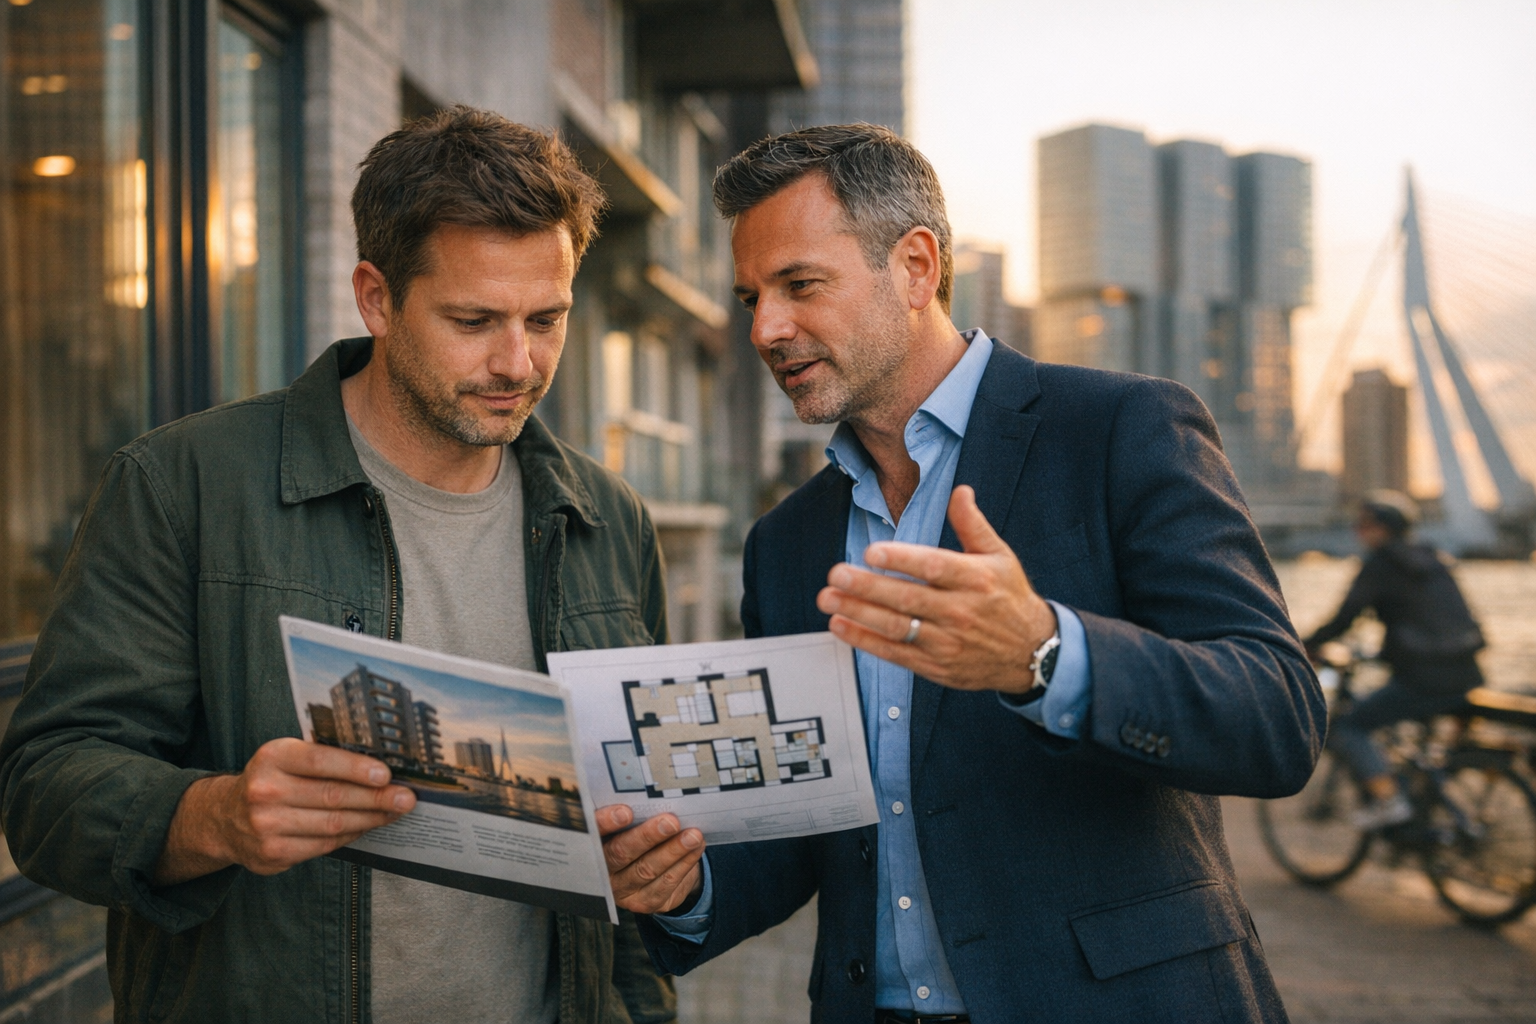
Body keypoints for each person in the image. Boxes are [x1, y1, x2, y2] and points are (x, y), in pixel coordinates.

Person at [595, 124, 1325, 1023]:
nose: (765, 329)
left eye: (799, 285)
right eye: (750, 297)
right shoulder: (785, 543)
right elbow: (801, 832)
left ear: (914, 266)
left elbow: (1278, 716)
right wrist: (684, 885)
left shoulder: (1120, 429)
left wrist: (1050, 656)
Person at [1, 107, 674, 1024]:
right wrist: (217, 815)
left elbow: (635, 829)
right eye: (473, 320)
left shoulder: (607, 518)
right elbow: (46, 789)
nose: (518, 362)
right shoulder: (181, 486)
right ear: (377, 298)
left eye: (546, 319)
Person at [1304, 491, 1486, 830]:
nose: (1358, 533)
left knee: (1349, 726)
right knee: (1408, 737)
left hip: (1424, 678)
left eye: (1364, 525)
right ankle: (1419, 803)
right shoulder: (1432, 557)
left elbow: (1346, 617)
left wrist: (1306, 647)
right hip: (1467, 672)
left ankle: (1389, 802)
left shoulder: (1382, 564)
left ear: (1381, 529)